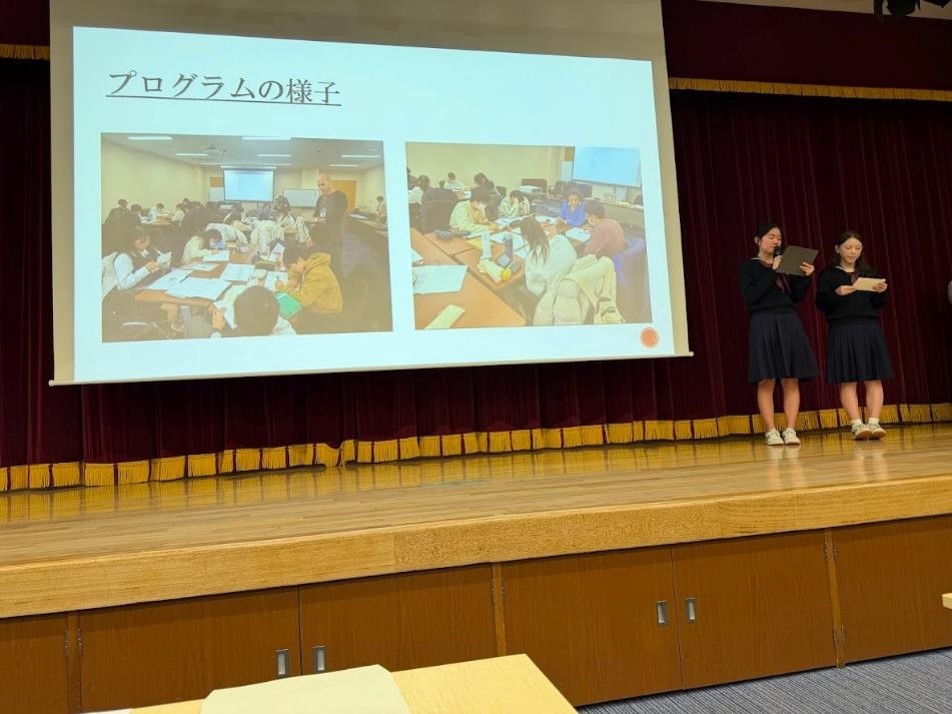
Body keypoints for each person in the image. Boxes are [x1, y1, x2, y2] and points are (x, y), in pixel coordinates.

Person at [738, 221, 818, 446]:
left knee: (791, 378)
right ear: (758, 240)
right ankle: (771, 431)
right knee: (766, 379)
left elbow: (796, 297)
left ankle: (790, 429)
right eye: (771, 237)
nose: (776, 241)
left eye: (779, 238)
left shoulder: (786, 264)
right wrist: (772, 271)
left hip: (788, 320)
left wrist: (805, 277)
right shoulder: (749, 267)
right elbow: (751, 296)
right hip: (763, 321)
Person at [815, 230, 892, 440]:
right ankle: (857, 424)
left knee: (873, 378)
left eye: (857, 248)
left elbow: (878, 304)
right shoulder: (828, 274)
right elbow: (821, 303)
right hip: (842, 328)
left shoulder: (869, 273)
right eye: (848, 247)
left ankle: (874, 422)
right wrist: (837, 293)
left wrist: (880, 292)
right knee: (847, 379)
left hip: (868, 328)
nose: (853, 252)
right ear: (838, 249)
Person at [191, 286, 296, 338]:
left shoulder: (230, 341)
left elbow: (216, 344)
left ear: (235, 320)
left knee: (194, 321)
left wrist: (216, 328)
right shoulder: (287, 332)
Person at [275, 242, 343, 319]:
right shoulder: (309, 263)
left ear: (299, 260)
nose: (291, 270)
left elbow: (304, 300)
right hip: (315, 305)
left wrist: (283, 288)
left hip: (326, 314)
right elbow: (296, 271)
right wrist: (294, 278)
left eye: (291, 267)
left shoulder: (318, 273)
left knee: (286, 315)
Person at [521, 216, 575, 299]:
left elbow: (535, 290)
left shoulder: (532, 258)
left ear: (525, 237)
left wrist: (527, 269)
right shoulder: (561, 239)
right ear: (541, 229)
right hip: (573, 284)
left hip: (555, 297)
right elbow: (574, 256)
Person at [312, 173, 348, 276]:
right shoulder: (320, 199)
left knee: (335, 266)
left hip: (334, 238)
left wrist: (320, 220)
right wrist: (311, 236)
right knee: (322, 265)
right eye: (319, 185)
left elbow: (336, 216)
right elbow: (315, 216)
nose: (321, 188)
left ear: (329, 182)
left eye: (323, 184)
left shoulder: (340, 196)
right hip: (321, 238)